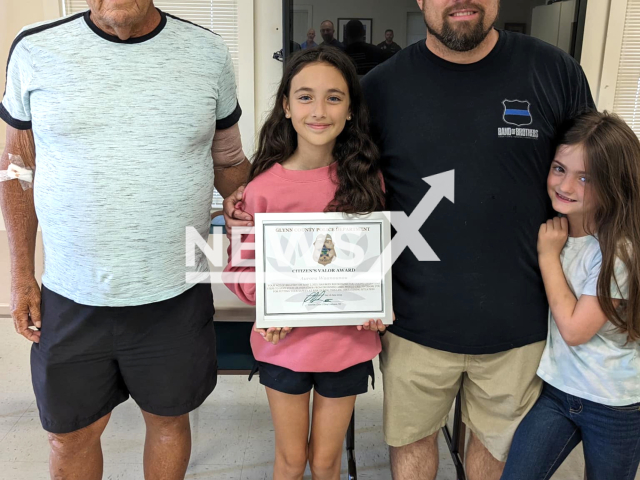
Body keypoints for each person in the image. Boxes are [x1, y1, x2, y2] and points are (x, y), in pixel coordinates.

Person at [224, 0, 595, 479]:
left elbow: (594, 171)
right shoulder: (381, 87)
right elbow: (331, 181)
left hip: (518, 322)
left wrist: (608, 265)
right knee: (409, 444)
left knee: (493, 452)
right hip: (414, 321)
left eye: (332, 98)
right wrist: (250, 201)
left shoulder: (554, 71)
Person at [0, 1, 249, 479]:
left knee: (169, 420)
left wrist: (268, 201)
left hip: (175, 291)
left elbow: (229, 161)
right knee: (69, 434)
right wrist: (20, 277)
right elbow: (16, 171)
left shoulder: (207, 51)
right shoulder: (35, 47)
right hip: (71, 294)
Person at [223, 46, 387, 480]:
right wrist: (274, 303)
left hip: (346, 344)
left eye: (334, 97)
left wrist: (376, 303)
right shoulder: (260, 190)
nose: (319, 110)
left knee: (327, 461)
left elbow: (379, 263)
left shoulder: (368, 182)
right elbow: (239, 270)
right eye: (305, 97)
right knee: (292, 460)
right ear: (286, 106)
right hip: (283, 344)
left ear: (351, 109)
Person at [501, 111, 640, 480]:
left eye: (586, 178)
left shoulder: (618, 250)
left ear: (615, 183)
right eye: (560, 169)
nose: (566, 185)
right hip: (557, 391)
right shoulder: (558, 230)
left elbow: (576, 330)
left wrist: (548, 255)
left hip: (614, 404)